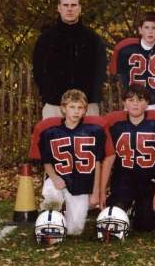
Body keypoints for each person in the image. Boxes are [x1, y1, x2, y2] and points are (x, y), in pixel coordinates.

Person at [28, 89, 113, 235]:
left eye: (80, 108)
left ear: (85, 110)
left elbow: (97, 163)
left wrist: (95, 192)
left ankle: (65, 218)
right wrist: (54, 178)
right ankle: (51, 219)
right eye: (72, 107)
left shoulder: (94, 131)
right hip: (59, 180)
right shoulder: (50, 132)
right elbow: (46, 161)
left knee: (75, 230)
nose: (76, 112)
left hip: (82, 184)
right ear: (63, 108)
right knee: (52, 198)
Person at [100, 84, 155, 232]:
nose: (135, 103)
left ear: (147, 103)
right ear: (124, 102)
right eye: (130, 99)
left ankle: (135, 209)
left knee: (145, 226)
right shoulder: (115, 124)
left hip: (149, 177)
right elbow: (109, 160)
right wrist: (102, 192)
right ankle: (125, 205)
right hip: (124, 176)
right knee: (116, 207)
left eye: (140, 100)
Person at [33, 0, 107, 118]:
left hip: (87, 107)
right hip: (55, 106)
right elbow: (39, 72)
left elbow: (100, 71)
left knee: (89, 138)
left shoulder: (93, 39)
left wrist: (86, 98)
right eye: (65, 5)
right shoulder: (46, 39)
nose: (69, 9)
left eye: (73, 5)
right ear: (58, 8)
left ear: (80, 8)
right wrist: (50, 97)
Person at [109, 12, 155, 112]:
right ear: (140, 29)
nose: (150, 32)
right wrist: (130, 96)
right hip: (134, 102)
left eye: (154, 28)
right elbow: (123, 77)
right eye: (146, 27)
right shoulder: (126, 49)